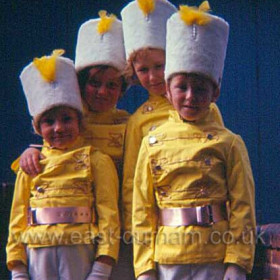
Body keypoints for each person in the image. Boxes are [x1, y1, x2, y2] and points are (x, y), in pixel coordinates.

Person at [132, 3, 256, 280]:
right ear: (167, 89)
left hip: (215, 255)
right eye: (182, 87)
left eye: (201, 88)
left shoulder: (230, 143)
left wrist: (237, 263)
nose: (190, 96)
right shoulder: (152, 142)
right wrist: (144, 267)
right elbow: (142, 209)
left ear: (215, 92)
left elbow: (242, 207)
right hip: (167, 258)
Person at [12, 11, 134, 279]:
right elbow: (52, 153)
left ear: (123, 89)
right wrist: (30, 152)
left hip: (123, 227)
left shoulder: (130, 125)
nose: (102, 91)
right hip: (80, 235)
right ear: (80, 85)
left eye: (112, 85)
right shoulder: (71, 121)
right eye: (94, 83)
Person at [120, 0, 224, 239]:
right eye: (143, 70)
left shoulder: (207, 109)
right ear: (133, 72)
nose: (153, 76)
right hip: (164, 229)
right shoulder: (138, 121)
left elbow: (223, 164)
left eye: (160, 66)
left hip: (210, 228)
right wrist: (137, 236)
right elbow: (132, 185)